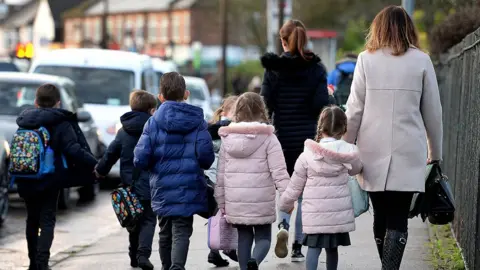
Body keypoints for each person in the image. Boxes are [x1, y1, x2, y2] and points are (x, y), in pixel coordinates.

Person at [343, 6, 443, 270]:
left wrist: (345, 145)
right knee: (399, 217)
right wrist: (436, 153)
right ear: (408, 28)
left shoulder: (366, 59)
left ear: (377, 28)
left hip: (371, 149)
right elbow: (433, 113)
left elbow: (354, 109)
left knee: (381, 215)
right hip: (408, 149)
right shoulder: (422, 60)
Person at [260, 19, 330, 262]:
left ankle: (284, 226)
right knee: (304, 195)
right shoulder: (317, 69)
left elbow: (264, 103)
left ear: (283, 41)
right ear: (304, 39)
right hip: (307, 139)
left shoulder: (273, 69)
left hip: (282, 139)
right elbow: (320, 105)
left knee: (287, 190)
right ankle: (299, 245)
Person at [134, 72, 215, 270]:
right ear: (186, 94)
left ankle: (166, 266)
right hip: (188, 186)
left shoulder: (152, 123)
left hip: (161, 185)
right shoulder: (197, 122)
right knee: (182, 229)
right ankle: (177, 267)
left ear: (160, 96)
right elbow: (206, 157)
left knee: (164, 230)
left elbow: (140, 158)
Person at [15, 84, 97, 270]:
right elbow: (73, 149)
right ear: (58, 103)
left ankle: (32, 263)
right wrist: (95, 164)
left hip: (25, 176)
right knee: (47, 220)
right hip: (49, 179)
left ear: (36, 102)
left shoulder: (25, 120)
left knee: (32, 219)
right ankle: (42, 263)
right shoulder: (60, 121)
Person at [279, 106, 362, 270]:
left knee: (313, 249)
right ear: (344, 128)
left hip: (314, 215)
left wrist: (285, 204)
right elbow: (356, 169)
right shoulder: (348, 153)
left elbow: (295, 186)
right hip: (337, 214)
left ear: (320, 127)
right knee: (332, 249)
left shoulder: (307, 155)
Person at [214, 92, 290, 270]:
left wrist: (221, 200)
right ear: (261, 110)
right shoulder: (269, 138)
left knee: (243, 237)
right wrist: (287, 198)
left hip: (236, 199)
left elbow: (221, 174)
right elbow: (279, 172)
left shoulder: (227, 139)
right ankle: (254, 261)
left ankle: (244, 267)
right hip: (261, 199)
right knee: (263, 238)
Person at [95, 90, 157, 270]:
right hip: (149, 183)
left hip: (129, 185)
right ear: (151, 110)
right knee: (148, 220)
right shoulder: (154, 129)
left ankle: (133, 256)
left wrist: (100, 171)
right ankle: (143, 255)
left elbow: (111, 154)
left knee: (133, 220)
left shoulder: (123, 131)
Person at [205, 95, 239, 267]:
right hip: (217, 179)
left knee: (219, 215)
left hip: (212, 178)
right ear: (225, 112)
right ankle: (225, 248)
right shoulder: (225, 129)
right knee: (224, 214)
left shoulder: (213, 128)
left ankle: (217, 250)